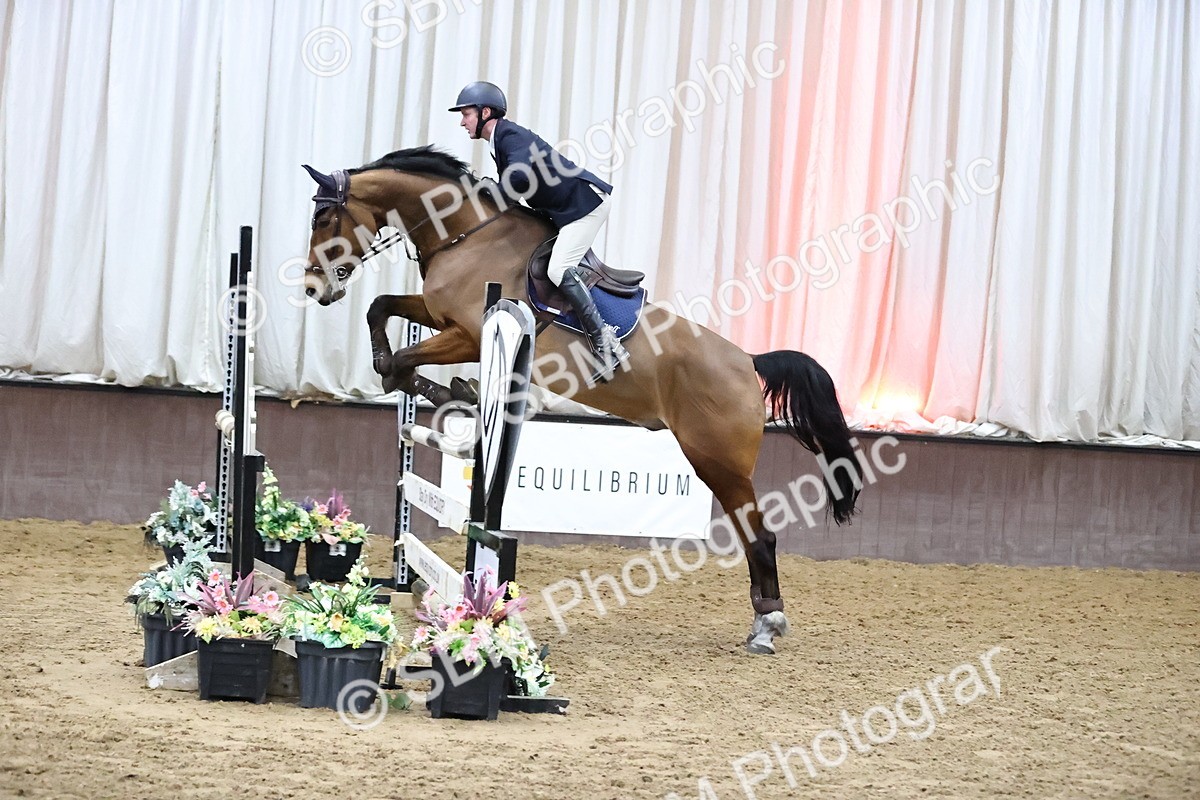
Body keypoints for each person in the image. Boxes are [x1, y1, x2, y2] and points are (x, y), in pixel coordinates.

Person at [450, 81, 628, 381]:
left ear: (485, 112)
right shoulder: (501, 142)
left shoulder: (510, 135)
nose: (462, 121)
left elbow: (517, 179)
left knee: (559, 269)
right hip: (564, 208)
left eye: (466, 113)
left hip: (585, 205)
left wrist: (489, 189)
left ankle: (606, 343)